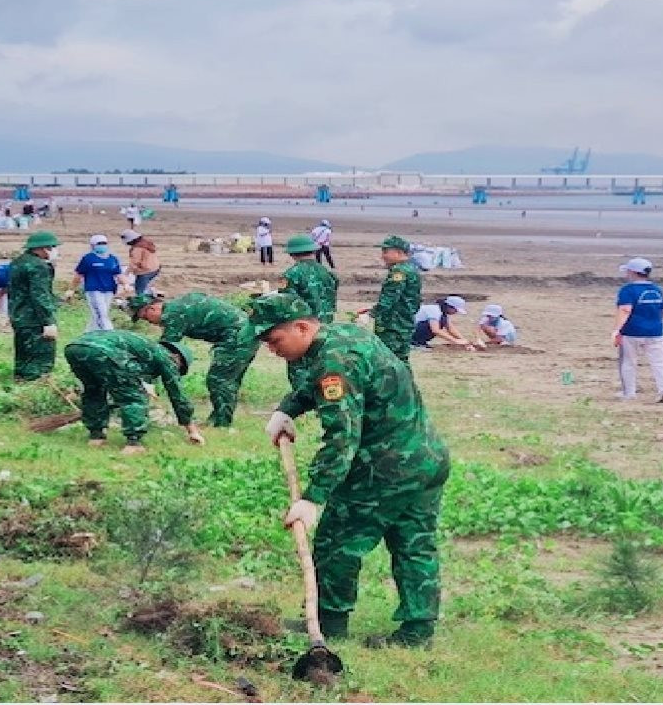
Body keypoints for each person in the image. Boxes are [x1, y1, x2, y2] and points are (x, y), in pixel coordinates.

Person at [252, 294, 450, 649]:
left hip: (386, 467)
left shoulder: (335, 361)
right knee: (413, 543)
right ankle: (418, 632)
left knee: (337, 539)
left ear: (301, 327)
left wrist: (314, 498)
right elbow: (319, 384)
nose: (271, 349)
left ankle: (329, 622)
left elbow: (343, 437)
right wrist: (288, 409)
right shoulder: (341, 335)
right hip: (425, 457)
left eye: (274, 339)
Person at [130, 292, 259, 428]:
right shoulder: (178, 306)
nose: (149, 322)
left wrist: (145, 376)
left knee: (219, 380)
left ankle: (222, 424)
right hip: (245, 332)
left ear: (152, 308)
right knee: (228, 380)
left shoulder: (174, 314)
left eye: (145, 317)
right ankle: (218, 418)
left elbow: (163, 351)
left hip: (237, 336)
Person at [64, 330, 205, 453]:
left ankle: (96, 437)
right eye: (179, 368)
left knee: (93, 390)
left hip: (75, 348)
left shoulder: (145, 347)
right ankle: (133, 443)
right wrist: (192, 429)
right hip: (105, 351)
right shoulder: (166, 357)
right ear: (177, 358)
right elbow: (177, 394)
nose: (176, 370)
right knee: (133, 398)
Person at [613, 257, 663, 403]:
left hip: (632, 332)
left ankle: (629, 393)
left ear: (633, 272)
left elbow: (625, 310)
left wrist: (617, 330)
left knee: (628, 362)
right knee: (659, 362)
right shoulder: (656, 289)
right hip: (656, 332)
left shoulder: (628, 290)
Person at [9, 231, 61, 381]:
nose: (53, 251)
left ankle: (20, 380)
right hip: (34, 318)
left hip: (18, 314)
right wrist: (48, 321)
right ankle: (36, 383)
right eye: (51, 247)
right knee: (41, 355)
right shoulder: (38, 267)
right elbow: (40, 295)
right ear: (42, 248)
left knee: (23, 352)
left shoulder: (17, 262)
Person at [369, 235, 421, 365]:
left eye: (386, 252)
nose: (383, 256)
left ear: (398, 252)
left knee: (387, 361)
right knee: (401, 361)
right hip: (404, 322)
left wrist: (372, 314)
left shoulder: (399, 271)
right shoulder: (411, 268)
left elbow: (390, 298)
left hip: (393, 324)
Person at [65, 234, 128, 332]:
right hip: (94, 289)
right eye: (99, 243)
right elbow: (78, 275)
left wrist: (126, 284)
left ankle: (89, 334)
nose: (102, 245)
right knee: (101, 313)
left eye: (104, 243)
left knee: (99, 314)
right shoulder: (88, 259)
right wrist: (71, 289)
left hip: (109, 290)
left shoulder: (112, 259)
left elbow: (118, 274)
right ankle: (109, 333)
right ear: (93, 245)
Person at [280, 234, 338, 323]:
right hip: (327, 322)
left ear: (292, 254)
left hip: (304, 326)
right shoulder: (328, 272)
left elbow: (285, 301)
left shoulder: (292, 274)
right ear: (313, 251)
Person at [121, 230, 161, 295]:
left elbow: (135, 262)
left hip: (145, 271)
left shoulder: (137, 249)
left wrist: (126, 273)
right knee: (147, 287)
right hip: (155, 268)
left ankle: (145, 303)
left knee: (140, 291)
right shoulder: (147, 243)